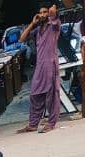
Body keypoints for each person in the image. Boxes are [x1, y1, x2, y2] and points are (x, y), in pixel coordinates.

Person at [18, 3, 61, 134]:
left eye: (45, 12)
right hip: (40, 66)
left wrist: (52, 10)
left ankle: (51, 123)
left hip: (50, 64)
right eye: (40, 12)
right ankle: (33, 124)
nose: (42, 15)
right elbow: (21, 39)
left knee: (51, 94)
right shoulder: (38, 30)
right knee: (35, 94)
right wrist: (32, 23)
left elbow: (54, 15)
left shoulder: (54, 24)